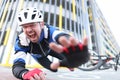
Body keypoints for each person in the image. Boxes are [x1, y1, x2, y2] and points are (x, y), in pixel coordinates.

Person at [12, 7, 90, 80]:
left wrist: (75, 47)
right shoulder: (22, 40)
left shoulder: (48, 30)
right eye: (25, 27)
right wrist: (25, 73)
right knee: (53, 69)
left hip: (51, 49)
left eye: (32, 25)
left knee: (68, 57)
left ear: (42, 24)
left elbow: (60, 36)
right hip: (40, 57)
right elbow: (17, 66)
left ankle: (68, 64)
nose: (29, 30)